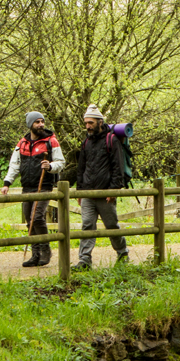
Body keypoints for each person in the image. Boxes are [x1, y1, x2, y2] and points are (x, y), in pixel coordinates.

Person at [2, 111, 64, 267]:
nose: (41, 124)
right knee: (29, 222)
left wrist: (50, 166)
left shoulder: (51, 141)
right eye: (37, 122)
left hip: (43, 186)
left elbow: (60, 162)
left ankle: (45, 250)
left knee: (36, 217)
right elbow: (15, 165)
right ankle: (35, 255)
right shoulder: (22, 143)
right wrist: (7, 183)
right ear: (30, 124)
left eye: (42, 121)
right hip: (27, 187)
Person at [74, 105, 129, 270]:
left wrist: (113, 190)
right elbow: (81, 168)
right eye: (85, 123)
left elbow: (117, 168)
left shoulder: (111, 140)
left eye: (90, 123)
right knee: (87, 226)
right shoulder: (86, 142)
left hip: (106, 193)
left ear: (99, 122)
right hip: (88, 194)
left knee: (111, 226)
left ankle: (122, 253)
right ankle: (84, 261)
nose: (88, 126)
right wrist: (80, 191)